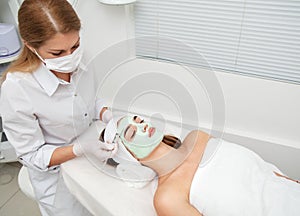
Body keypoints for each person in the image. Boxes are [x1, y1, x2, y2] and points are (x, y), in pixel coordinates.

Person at [0, 0, 116, 215]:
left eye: (75, 45)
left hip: (90, 160)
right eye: (57, 53)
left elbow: (88, 100)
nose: (70, 56)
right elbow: (32, 156)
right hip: (56, 178)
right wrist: (79, 149)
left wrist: (106, 114)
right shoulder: (17, 89)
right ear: (30, 45)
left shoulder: (80, 57)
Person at [102, 114, 300, 216]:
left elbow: (264, 172)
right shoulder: (167, 197)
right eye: (132, 132)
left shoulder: (197, 138)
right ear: (130, 157)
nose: (143, 125)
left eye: (139, 120)